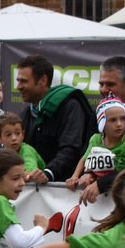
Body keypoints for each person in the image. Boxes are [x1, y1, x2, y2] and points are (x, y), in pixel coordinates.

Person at [14, 54, 92, 186]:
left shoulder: (70, 106)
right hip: (33, 193)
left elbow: (71, 148)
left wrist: (48, 173)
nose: (18, 86)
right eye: (18, 81)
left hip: (65, 193)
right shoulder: (25, 114)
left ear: (43, 80)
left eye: (24, 81)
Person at [67, 98, 125, 203]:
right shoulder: (95, 140)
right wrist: (75, 176)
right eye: (113, 120)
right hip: (99, 201)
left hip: (124, 199)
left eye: (122, 119)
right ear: (102, 122)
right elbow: (84, 158)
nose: (119, 124)